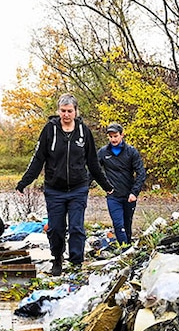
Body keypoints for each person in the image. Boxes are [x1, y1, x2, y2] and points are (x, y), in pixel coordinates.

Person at [16, 93, 112, 276]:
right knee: (56, 229)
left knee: (76, 227)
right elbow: (38, 159)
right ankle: (57, 259)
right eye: (63, 111)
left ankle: (76, 262)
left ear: (76, 111)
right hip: (54, 189)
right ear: (58, 111)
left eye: (70, 111)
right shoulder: (49, 131)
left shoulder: (84, 132)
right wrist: (24, 182)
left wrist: (106, 185)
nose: (66, 114)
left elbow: (93, 163)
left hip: (78, 188)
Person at [98, 122, 147, 245]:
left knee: (127, 224)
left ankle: (128, 249)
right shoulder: (103, 152)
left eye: (115, 136)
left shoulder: (131, 152)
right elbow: (94, 171)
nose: (113, 139)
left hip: (129, 195)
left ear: (122, 135)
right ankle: (124, 249)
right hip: (113, 195)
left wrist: (134, 192)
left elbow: (141, 173)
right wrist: (83, 187)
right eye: (110, 137)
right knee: (118, 224)